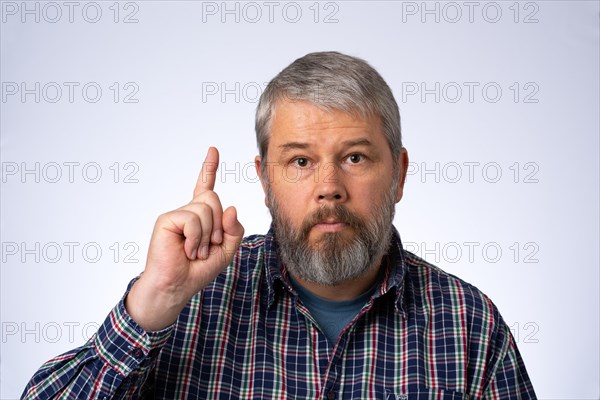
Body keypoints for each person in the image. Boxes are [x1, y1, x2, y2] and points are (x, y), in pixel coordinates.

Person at [22, 51, 536, 399]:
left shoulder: (470, 328)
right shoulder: (184, 304)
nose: (329, 186)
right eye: (299, 161)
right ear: (264, 181)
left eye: (355, 158)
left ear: (398, 174)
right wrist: (149, 307)